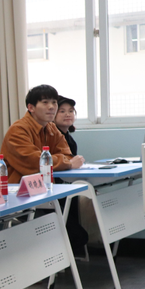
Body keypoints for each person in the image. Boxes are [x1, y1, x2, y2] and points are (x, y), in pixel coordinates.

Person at [0, 84, 85, 183]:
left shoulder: (51, 128)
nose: (51, 107)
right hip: (17, 188)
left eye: (54, 102)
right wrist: (67, 163)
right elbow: (35, 162)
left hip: (45, 186)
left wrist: (63, 161)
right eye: (45, 102)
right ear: (31, 107)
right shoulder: (18, 130)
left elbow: (67, 155)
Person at [53, 95, 89, 256]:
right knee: (78, 235)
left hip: (66, 187)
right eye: (62, 111)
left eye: (71, 111)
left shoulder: (69, 138)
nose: (68, 114)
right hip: (55, 189)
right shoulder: (51, 137)